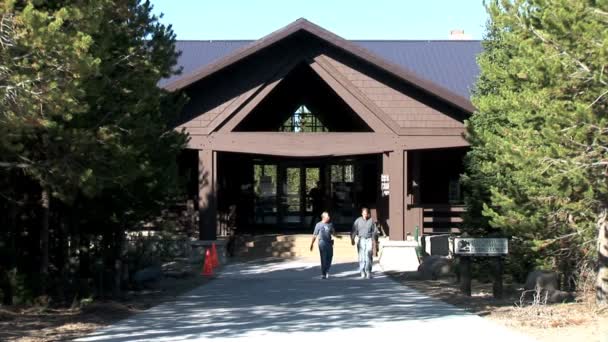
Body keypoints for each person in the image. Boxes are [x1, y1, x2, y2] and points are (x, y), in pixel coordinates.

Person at [351, 207, 378, 279]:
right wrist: (352, 239)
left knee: (368, 255)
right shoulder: (358, 221)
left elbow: (375, 231)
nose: (365, 215)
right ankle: (362, 271)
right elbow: (354, 230)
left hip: (369, 239)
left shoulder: (371, 221)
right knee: (362, 256)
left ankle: (368, 271)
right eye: (364, 214)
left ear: (368, 214)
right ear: (362, 213)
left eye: (366, 214)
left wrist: (375, 240)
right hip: (361, 239)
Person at [310, 212, 335, 279]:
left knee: (330, 256)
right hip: (322, 242)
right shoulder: (318, 225)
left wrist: (335, 235)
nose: (329, 217)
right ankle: (324, 273)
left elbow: (333, 232)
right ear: (323, 217)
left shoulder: (330, 224)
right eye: (327, 216)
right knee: (323, 257)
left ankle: (326, 270)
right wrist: (312, 244)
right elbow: (315, 235)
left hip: (329, 242)